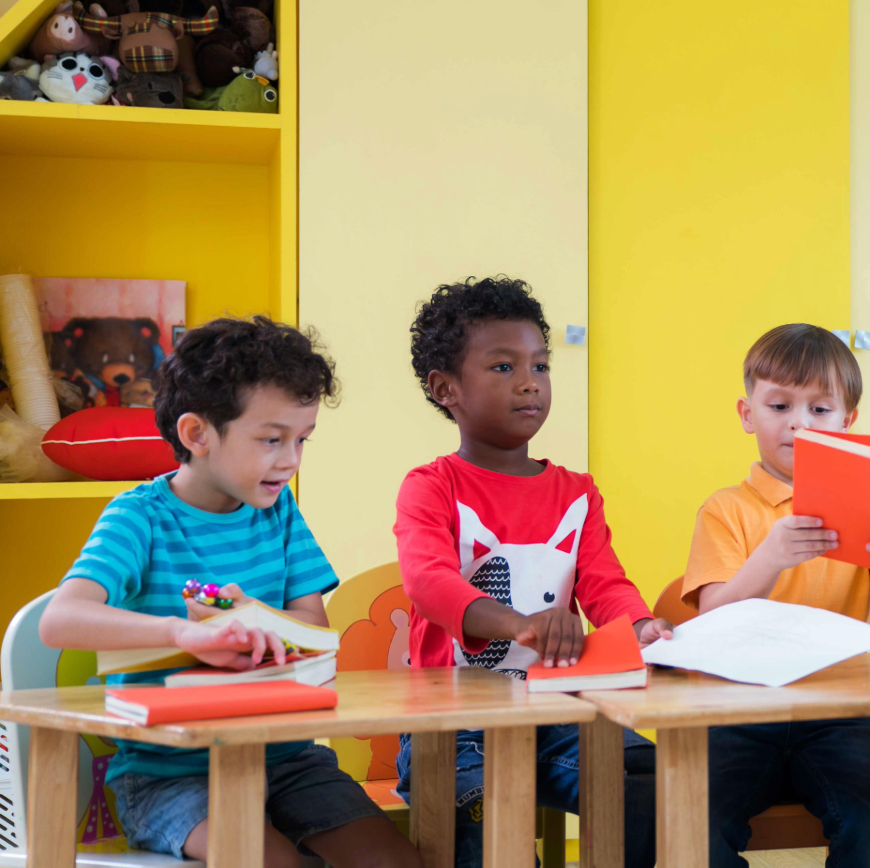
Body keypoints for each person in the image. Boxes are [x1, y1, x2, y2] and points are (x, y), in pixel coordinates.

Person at [38, 317, 419, 868]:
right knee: (275, 864)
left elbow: (315, 626)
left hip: (288, 760)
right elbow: (62, 620)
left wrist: (255, 617)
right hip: (172, 774)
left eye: (301, 440)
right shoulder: (138, 518)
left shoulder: (279, 512)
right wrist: (187, 633)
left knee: (394, 864)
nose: (290, 460)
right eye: (271, 439)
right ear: (197, 435)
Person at [391, 276, 673, 868]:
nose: (529, 383)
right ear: (446, 389)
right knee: (485, 816)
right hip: (453, 724)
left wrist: (640, 625)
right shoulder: (431, 486)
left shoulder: (577, 492)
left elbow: (605, 583)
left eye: (541, 366)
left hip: (560, 710)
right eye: (502, 367)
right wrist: (520, 624)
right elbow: (430, 583)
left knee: (655, 784)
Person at [681, 322, 870, 867]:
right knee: (688, 828)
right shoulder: (725, 509)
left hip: (842, 714)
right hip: (738, 714)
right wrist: (771, 556)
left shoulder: (863, 501)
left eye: (819, 411)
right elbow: (710, 619)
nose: (798, 424)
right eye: (779, 406)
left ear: (848, 423)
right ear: (747, 413)